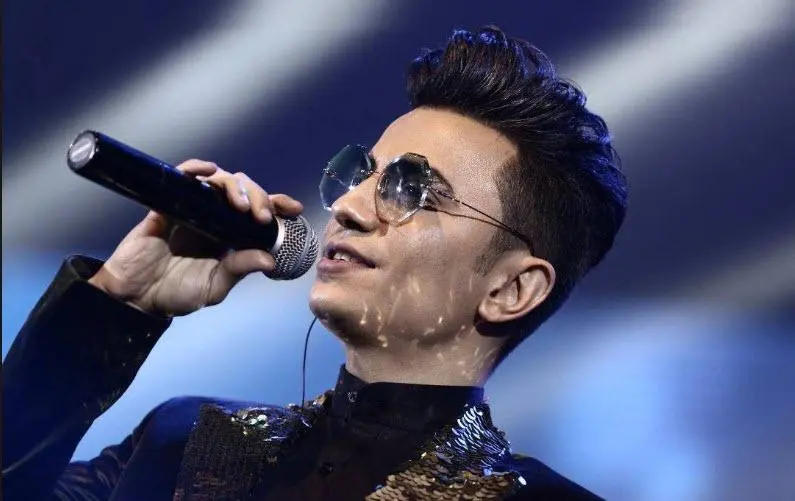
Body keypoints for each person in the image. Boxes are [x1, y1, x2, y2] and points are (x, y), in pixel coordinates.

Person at [3, 26, 627, 500]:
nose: (350, 207)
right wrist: (119, 300)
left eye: (411, 189)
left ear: (512, 289)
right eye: (363, 174)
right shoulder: (183, 441)